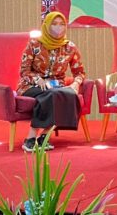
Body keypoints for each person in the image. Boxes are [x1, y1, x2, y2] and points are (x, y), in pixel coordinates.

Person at [17, 11, 85, 152]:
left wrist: (76, 83)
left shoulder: (70, 47)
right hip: (31, 86)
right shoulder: (34, 44)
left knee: (67, 94)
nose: (58, 27)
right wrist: (37, 79)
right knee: (51, 95)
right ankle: (31, 138)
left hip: (55, 87)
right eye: (54, 24)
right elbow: (24, 70)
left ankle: (43, 136)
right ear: (46, 25)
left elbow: (80, 72)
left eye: (62, 24)